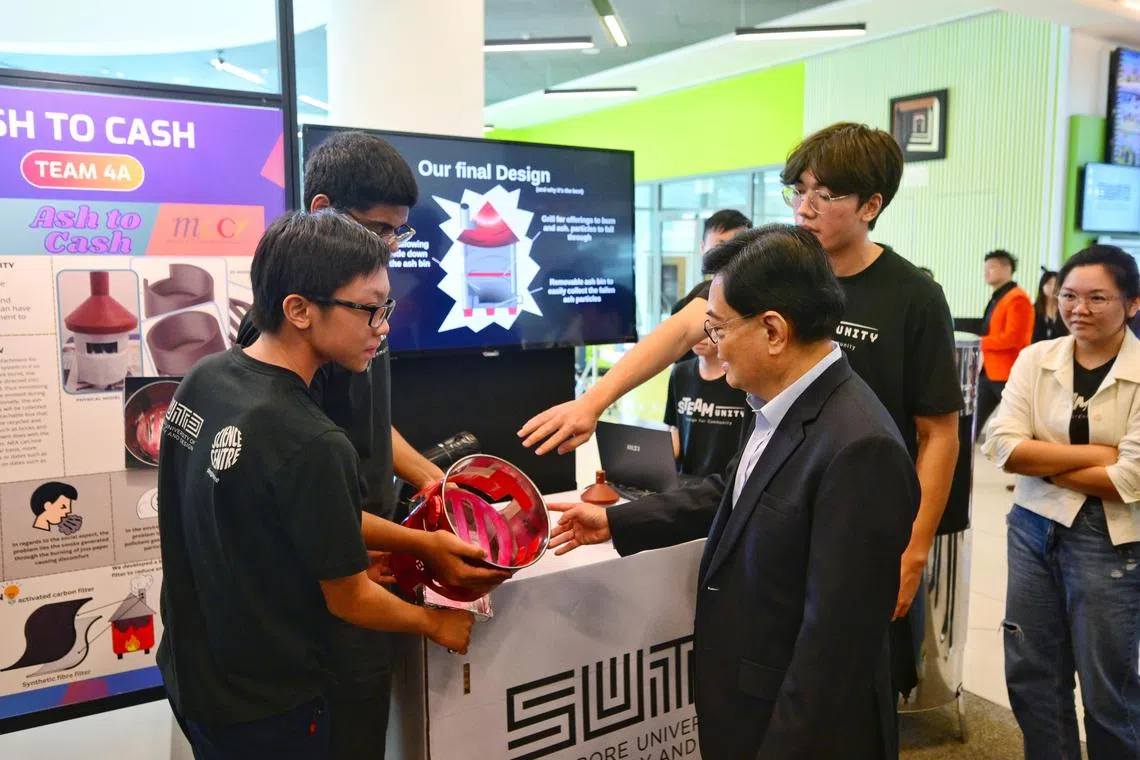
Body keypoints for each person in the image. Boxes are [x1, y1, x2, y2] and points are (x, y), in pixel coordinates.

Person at [519, 123, 961, 688]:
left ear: (872, 204)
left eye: (823, 196)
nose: (804, 208)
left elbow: (938, 433)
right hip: (776, 491)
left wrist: (915, 546)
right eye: (796, 191)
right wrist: (595, 400)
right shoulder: (781, 263)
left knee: (846, 676)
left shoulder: (913, 296)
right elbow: (683, 330)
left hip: (858, 508)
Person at [550, 225, 919, 759]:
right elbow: (736, 490)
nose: (712, 345)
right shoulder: (781, 400)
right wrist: (617, 522)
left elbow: (834, 652)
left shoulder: (859, 447)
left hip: (795, 731)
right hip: (746, 702)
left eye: (718, 328)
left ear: (772, 330)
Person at [158, 210, 509, 759]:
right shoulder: (310, 439)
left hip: (193, 673)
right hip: (267, 703)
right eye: (369, 309)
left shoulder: (207, 379)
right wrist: (434, 621)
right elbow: (351, 600)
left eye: (385, 307)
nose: (383, 326)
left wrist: (424, 543)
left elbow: (275, 513)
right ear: (299, 309)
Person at [233, 130, 449, 760]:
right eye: (380, 230)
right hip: (334, 582)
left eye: (398, 234)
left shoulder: (353, 307)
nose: (389, 248)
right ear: (324, 209)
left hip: (361, 554)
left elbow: (365, 424)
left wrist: (432, 478)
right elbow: (306, 481)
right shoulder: (292, 340)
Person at [982, 244, 1140, 759]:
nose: (1080, 308)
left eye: (1098, 298)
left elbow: (1129, 479)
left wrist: (1041, 463)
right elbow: (1001, 446)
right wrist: (1097, 455)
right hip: (1032, 527)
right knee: (1032, 675)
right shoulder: (1037, 358)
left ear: (1132, 304)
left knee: (1109, 688)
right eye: (1070, 295)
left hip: (1112, 542)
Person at [664, 330, 748, 477]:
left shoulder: (741, 378)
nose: (699, 337)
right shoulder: (679, 373)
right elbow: (674, 429)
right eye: (694, 331)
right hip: (686, 481)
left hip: (727, 483)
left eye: (708, 331)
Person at [977, 249, 1034, 433]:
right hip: (990, 371)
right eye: (985, 267)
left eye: (991, 267)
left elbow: (1013, 338)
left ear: (1007, 269)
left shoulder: (1017, 298)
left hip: (1008, 372)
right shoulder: (998, 297)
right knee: (971, 423)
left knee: (1022, 426)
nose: (986, 271)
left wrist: (980, 342)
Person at [1032, 267, 1068, 343]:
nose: (1053, 287)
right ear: (1042, 286)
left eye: (1056, 284)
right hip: (1036, 351)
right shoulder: (1033, 309)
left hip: (1059, 351)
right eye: (1049, 283)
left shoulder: (1065, 308)